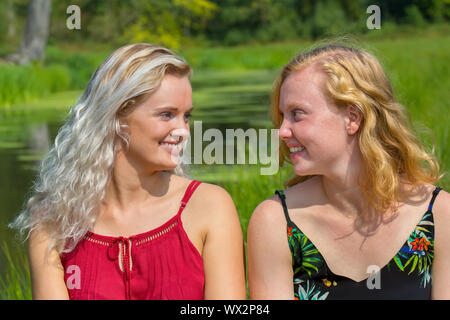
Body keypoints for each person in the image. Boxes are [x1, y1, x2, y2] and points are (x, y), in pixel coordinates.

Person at [10, 43, 246, 300]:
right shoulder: (53, 221)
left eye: (186, 116)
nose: (183, 131)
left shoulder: (210, 206)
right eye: (167, 115)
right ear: (117, 117)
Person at [247, 44, 450, 300]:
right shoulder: (275, 221)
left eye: (297, 114)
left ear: (352, 117)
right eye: (282, 116)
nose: (283, 131)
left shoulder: (440, 214)